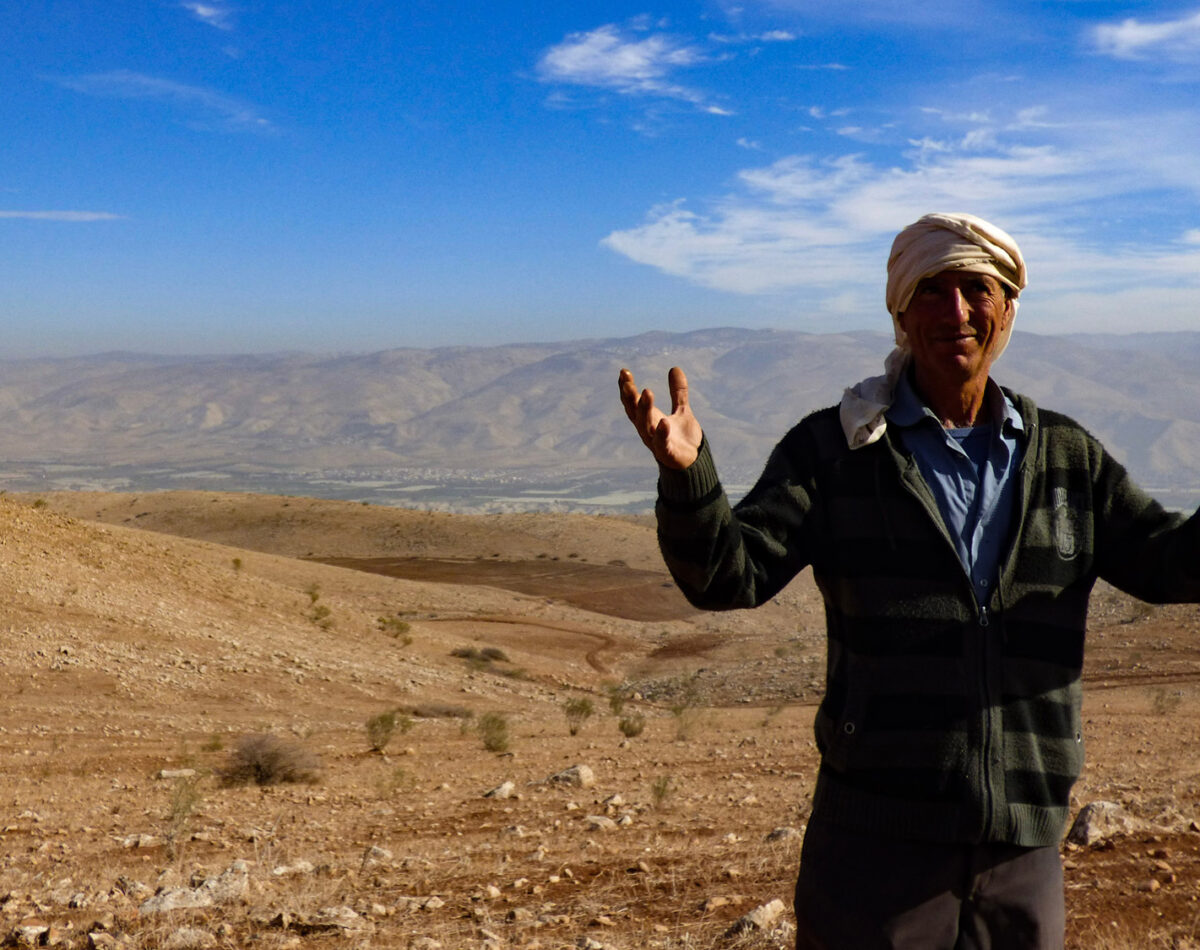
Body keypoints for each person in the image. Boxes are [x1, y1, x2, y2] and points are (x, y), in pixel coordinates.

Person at [618, 212, 1200, 950]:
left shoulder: (1066, 458)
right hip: (872, 853)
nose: (955, 312)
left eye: (975, 289)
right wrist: (688, 478)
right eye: (931, 291)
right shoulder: (834, 450)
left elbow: (1167, 561)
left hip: (1022, 850)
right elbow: (731, 575)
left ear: (1008, 309)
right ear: (899, 312)